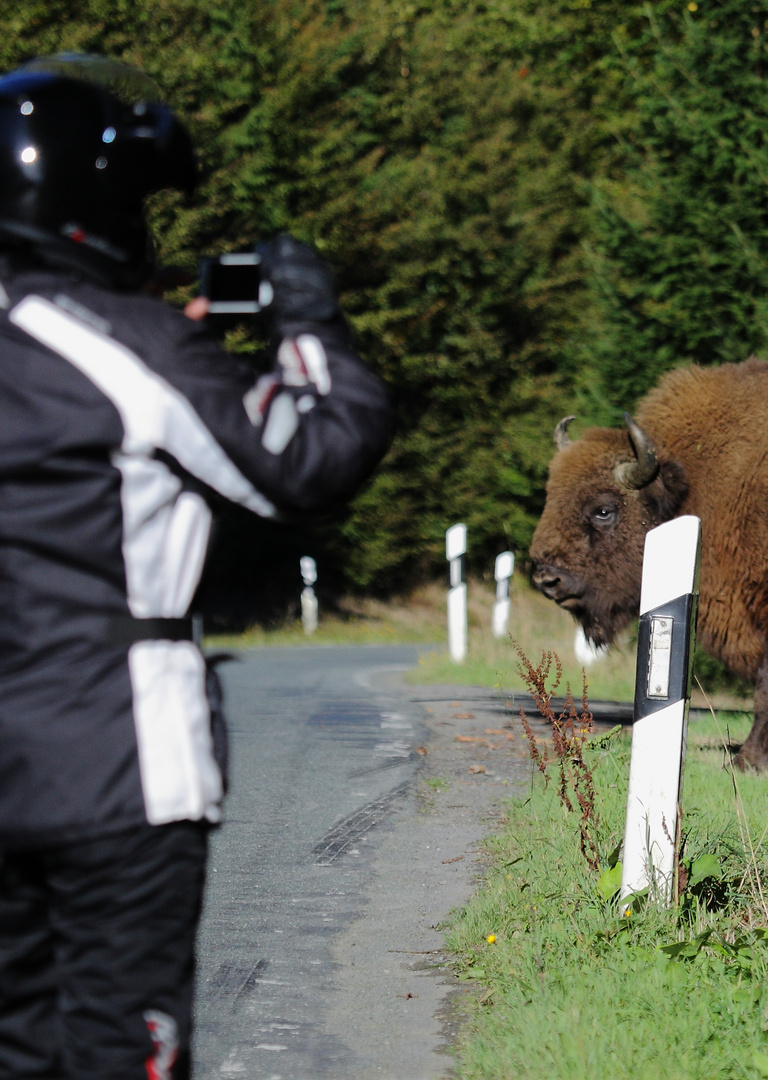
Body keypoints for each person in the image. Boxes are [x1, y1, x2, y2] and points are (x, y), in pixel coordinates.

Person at [0, 55, 393, 1079]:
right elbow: (314, 459)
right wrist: (307, 325)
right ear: (97, 202)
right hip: (117, 767)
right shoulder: (130, 350)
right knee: (116, 1054)